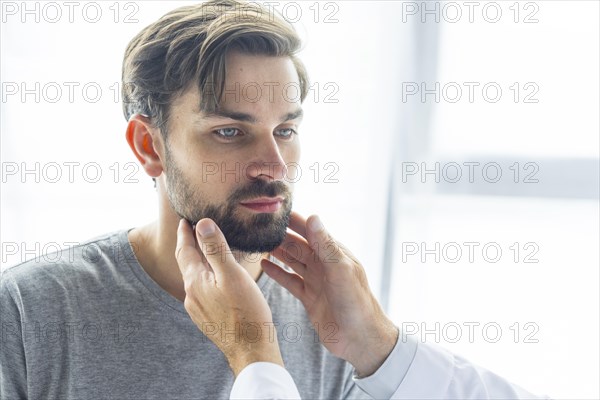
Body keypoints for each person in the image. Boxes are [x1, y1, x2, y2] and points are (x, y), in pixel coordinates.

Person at [1, 1, 549, 399]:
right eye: (229, 132)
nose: (275, 166)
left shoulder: (336, 325)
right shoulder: (30, 314)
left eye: (285, 130)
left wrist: (380, 348)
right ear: (150, 146)